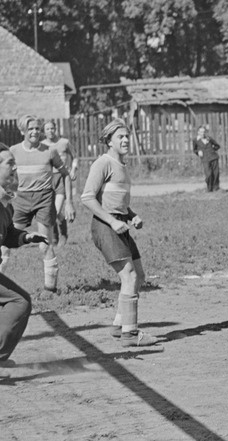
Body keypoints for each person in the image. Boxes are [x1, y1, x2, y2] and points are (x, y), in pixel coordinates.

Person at [81, 119, 159, 348]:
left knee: (139, 275)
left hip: (120, 225)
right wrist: (113, 221)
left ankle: (119, 325)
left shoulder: (121, 165)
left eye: (127, 136)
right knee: (129, 276)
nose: (125, 140)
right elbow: (87, 198)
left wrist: (131, 215)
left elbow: (117, 202)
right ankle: (130, 334)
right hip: (105, 227)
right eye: (120, 137)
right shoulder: (103, 163)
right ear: (108, 141)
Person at [1, 116, 74, 292]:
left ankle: (50, 288)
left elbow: (65, 175)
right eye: (30, 129)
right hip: (20, 200)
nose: (34, 132)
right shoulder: (13, 151)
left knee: (44, 244)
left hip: (43, 199)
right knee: (4, 244)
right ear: (22, 131)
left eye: (37, 129)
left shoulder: (50, 151)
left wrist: (69, 202)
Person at [0, 143, 49, 375]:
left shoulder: (6, 202)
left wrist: (27, 236)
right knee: (20, 302)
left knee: (19, 302)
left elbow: (8, 233)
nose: (15, 168)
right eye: (10, 163)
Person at [41, 120, 78, 245]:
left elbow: (75, 156)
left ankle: (62, 236)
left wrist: (73, 169)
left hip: (62, 178)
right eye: (47, 129)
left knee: (55, 211)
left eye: (52, 128)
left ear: (55, 129)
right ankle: (56, 237)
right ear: (44, 132)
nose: (50, 131)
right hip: (47, 179)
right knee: (51, 211)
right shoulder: (42, 145)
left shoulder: (64, 142)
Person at [193, 125, 221, 192]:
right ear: (198, 132)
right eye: (201, 132)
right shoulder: (196, 140)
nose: (202, 133)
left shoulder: (209, 139)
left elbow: (217, 146)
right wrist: (198, 152)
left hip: (213, 157)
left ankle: (216, 188)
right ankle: (209, 188)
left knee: (216, 173)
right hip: (205, 159)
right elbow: (194, 150)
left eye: (204, 132)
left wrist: (213, 148)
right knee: (208, 174)